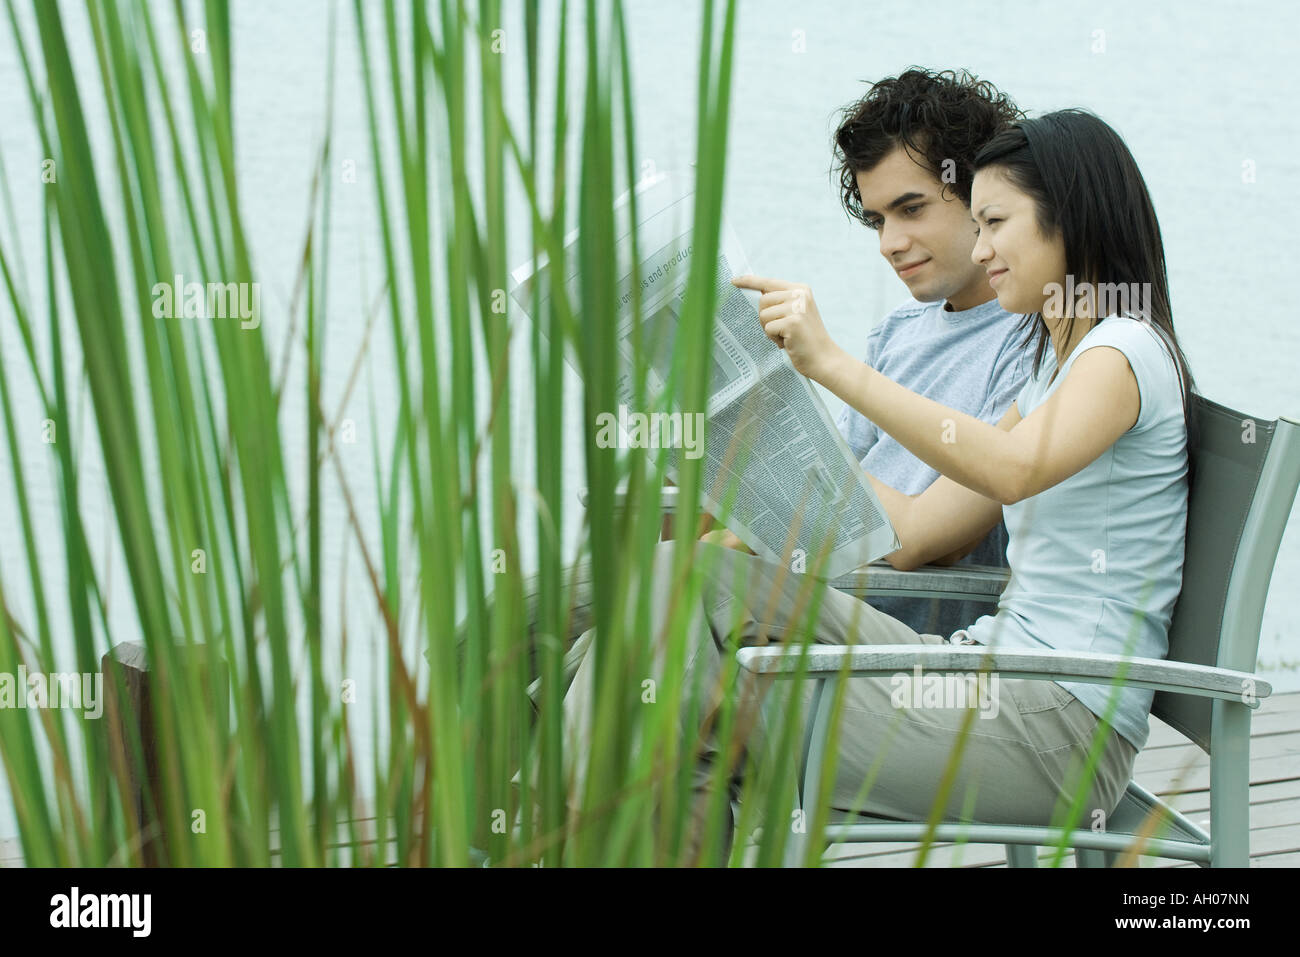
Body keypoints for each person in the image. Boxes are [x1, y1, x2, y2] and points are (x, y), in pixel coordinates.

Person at [562, 108, 1197, 864]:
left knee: (670, 695)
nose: (985, 248)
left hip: (1051, 732)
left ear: (1070, 217)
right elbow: (933, 515)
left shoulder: (1122, 351)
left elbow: (1009, 466)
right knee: (688, 573)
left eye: (996, 223)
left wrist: (830, 364)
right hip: (990, 670)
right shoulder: (1056, 363)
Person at [704, 68, 1033, 641]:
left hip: (889, 629)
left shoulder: (1031, 342)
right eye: (878, 220)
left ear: (984, 194)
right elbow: (836, 487)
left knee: (623, 604)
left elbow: (932, 540)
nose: (889, 244)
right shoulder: (902, 331)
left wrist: (827, 361)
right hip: (818, 595)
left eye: (912, 210)